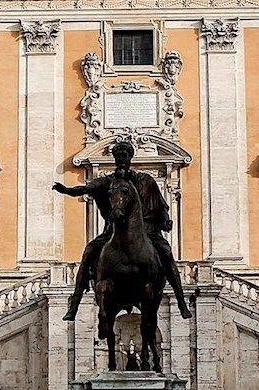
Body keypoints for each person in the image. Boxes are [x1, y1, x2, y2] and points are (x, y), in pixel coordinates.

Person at [54, 137, 190, 326]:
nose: (122, 159)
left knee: (166, 253)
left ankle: (181, 302)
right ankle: (74, 305)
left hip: (148, 232)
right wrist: (68, 190)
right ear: (115, 158)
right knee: (89, 252)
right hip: (113, 233)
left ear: (131, 158)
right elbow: (87, 188)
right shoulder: (109, 181)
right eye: (118, 156)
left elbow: (161, 204)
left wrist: (165, 221)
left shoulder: (145, 180)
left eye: (125, 155)